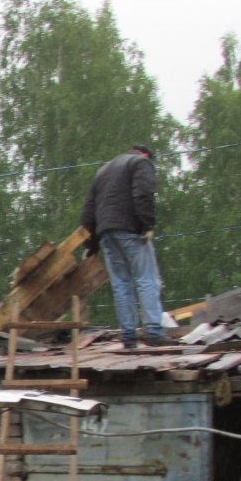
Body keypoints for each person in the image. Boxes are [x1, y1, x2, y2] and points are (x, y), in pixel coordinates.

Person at [80, 145, 168, 349]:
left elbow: (88, 210)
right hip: (129, 228)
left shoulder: (103, 171)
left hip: (106, 233)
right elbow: (143, 194)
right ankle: (153, 331)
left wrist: (91, 244)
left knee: (121, 284)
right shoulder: (141, 163)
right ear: (146, 155)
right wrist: (147, 225)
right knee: (147, 278)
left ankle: (128, 336)